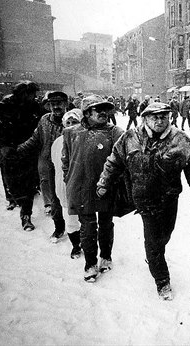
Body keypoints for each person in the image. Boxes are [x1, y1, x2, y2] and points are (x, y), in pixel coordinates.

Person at [97, 102, 190, 300]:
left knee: (164, 236)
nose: (159, 120)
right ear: (145, 118)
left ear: (170, 118)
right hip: (143, 199)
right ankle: (162, 280)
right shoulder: (130, 138)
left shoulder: (180, 140)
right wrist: (104, 182)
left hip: (169, 198)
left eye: (163, 116)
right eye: (154, 116)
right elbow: (114, 161)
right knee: (154, 240)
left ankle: (155, 254)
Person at [62, 95, 124, 282]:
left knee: (105, 223)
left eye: (106, 109)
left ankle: (105, 256)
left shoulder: (115, 132)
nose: (104, 112)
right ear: (87, 113)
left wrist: (113, 181)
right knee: (87, 227)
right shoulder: (71, 133)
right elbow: (65, 159)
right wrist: (69, 178)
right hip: (81, 187)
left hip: (106, 186)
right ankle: (90, 264)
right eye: (99, 109)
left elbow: (123, 159)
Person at [17, 91, 71, 242]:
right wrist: (19, 149)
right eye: (52, 104)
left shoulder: (73, 121)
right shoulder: (44, 120)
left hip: (67, 167)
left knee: (72, 197)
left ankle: (78, 230)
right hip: (47, 165)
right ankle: (59, 227)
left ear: (66, 104)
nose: (56, 107)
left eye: (59, 103)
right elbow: (35, 139)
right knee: (54, 199)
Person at [0, 81, 44, 230]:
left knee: (28, 182)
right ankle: (13, 198)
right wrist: (1, 146)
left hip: (28, 148)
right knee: (12, 180)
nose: (34, 97)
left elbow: (40, 123)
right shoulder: (5, 105)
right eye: (32, 94)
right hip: (9, 148)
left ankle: (26, 214)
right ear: (24, 93)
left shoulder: (34, 106)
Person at [51, 109, 84, 258]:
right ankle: (76, 246)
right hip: (64, 187)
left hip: (84, 187)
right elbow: (55, 163)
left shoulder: (86, 141)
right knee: (71, 219)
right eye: (68, 123)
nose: (70, 126)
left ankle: (88, 241)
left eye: (75, 122)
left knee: (87, 218)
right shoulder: (57, 142)